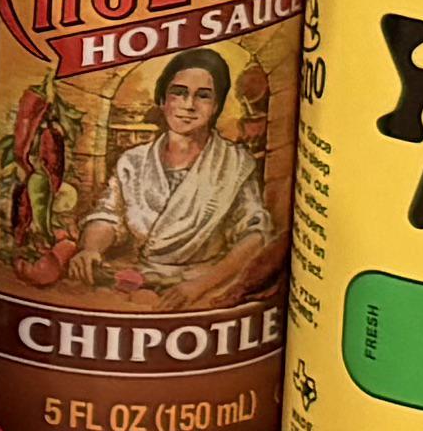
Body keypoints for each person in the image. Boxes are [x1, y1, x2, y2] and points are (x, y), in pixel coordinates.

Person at [73, 51, 280, 308]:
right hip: (137, 279)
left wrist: (199, 285)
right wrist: (92, 248)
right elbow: (108, 215)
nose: (189, 105)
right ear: (163, 100)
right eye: (179, 93)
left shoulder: (235, 164)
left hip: (205, 286)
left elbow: (254, 236)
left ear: (216, 106)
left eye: (203, 96)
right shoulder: (133, 161)